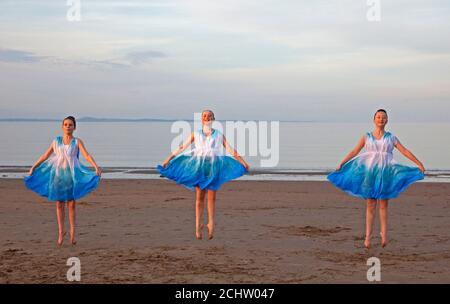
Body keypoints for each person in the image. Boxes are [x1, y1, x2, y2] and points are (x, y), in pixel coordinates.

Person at [328, 109, 425, 249]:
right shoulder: (366, 137)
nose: (381, 119)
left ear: (387, 120)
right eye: (378, 117)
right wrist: (342, 163)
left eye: (384, 117)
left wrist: (418, 163)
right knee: (370, 205)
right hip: (370, 175)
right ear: (374, 120)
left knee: (384, 205)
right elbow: (355, 151)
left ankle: (384, 235)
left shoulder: (391, 138)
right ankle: (368, 237)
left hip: (385, 174)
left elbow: (404, 151)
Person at [157, 110, 249, 240]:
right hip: (199, 167)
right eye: (205, 116)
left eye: (209, 116)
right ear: (201, 119)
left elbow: (230, 149)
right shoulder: (196, 134)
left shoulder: (219, 135)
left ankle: (211, 223)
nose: (207, 117)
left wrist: (242, 161)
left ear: (213, 118)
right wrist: (169, 158)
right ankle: (198, 225)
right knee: (199, 197)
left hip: (213, 168)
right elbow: (182, 146)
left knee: (211, 197)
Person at [24, 116, 101, 246]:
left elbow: (86, 155)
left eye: (70, 125)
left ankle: (72, 232)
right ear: (62, 126)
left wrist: (95, 166)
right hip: (58, 175)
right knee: (59, 203)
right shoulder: (56, 141)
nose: (68, 127)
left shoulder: (77, 142)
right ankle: (61, 232)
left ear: (74, 127)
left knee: (71, 204)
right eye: (65, 124)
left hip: (71, 176)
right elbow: (45, 155)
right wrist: (33, 167)